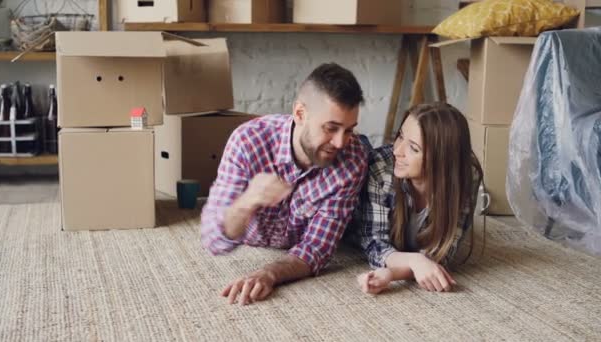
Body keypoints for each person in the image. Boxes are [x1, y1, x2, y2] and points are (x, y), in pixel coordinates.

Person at [201, 63, 368, 305]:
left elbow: (316, 248)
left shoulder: (352, 158)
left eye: (349, 130)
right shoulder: (247, 142)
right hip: (251, 239)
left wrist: (269, 273)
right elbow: (213, 241)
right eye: (331, 128)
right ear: (300, 114)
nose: (341, 142)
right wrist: (247, 201)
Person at [350, 102, 483, 294]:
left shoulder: (465, 175)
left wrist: (392, 273)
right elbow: (374, 243)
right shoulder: (380, 169)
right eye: (400, 136)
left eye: (413, 148)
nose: (397, 151)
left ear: (441, 159)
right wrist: (415, 261)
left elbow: (442, 252)